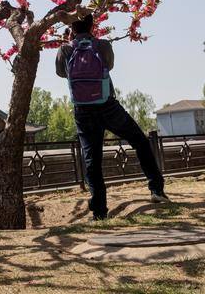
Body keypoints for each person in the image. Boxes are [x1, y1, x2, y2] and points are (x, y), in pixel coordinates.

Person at [55, 13, 170, 221]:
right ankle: (156, 190)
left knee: (92, 159)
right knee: (140, 142)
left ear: (72, 29)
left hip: (83, 110)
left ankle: (99, 211)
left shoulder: (65, 49)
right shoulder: (103, 46)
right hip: (108, 106)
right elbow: (109, 66)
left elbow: (61, 73)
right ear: (92, 26)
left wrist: (68, 44)